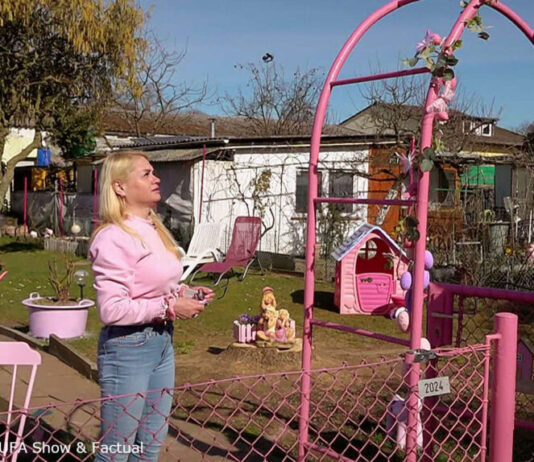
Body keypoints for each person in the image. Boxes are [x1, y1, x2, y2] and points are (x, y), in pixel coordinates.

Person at [89, 150, 214, 461]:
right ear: (119, 187)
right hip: (128, 348)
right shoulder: (114, 236)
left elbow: (154, 285)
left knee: (149, 447)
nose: (156, 178)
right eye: (145, 174)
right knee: (116, 451)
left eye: (153, 172)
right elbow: (111, 309)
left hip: (161, 344)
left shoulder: (153, 228)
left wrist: (185, 292)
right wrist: (170, 308)